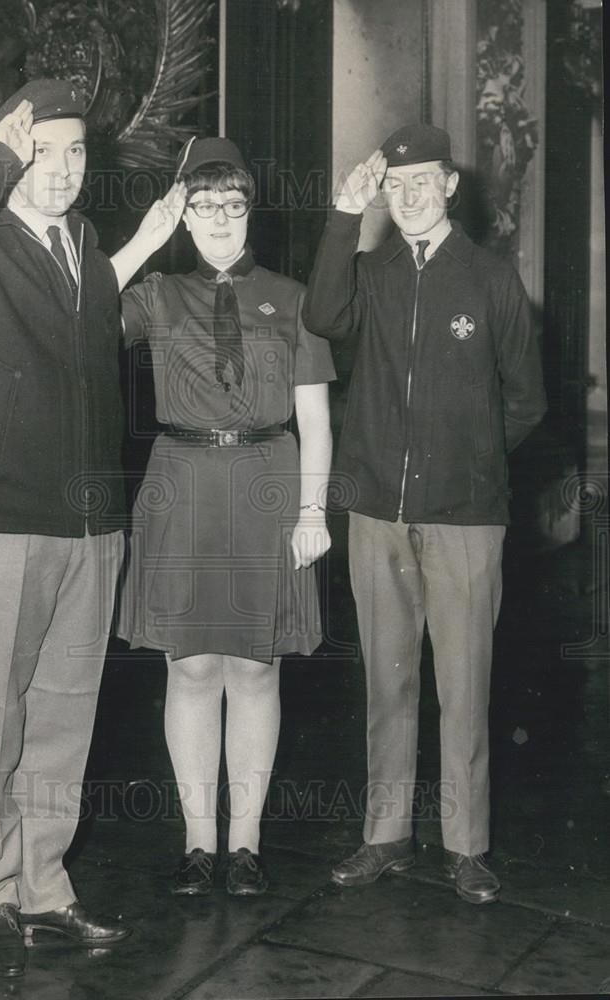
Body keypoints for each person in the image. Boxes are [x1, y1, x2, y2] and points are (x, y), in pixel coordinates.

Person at [0, 79, 181, 978]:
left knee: (61, 718)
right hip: (0, 520)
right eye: (41, 153)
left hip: (89, 528)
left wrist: (146, 245)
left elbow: (94, 324)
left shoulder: (83, 246)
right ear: (10, 155)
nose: (61, 172)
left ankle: (44, 888)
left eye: (75, 154)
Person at [302, 124, 547, 904]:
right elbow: (320, 318)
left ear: (449, 186)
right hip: (375, 510)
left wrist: (467, 464)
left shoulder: (490, 279)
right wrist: (344, 215)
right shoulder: (368, 272)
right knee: (387, 681)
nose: (408, 197)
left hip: (465, 517)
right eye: (394, 186)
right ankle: (384, 834)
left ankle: (466, 844)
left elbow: (525, 402)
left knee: (464, 685)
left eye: (423, 182)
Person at [117, 137, 336, 896]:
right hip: (180, 482)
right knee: (189, 668)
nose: (217, 219)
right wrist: (145, 239)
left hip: (267, 482)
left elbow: (314, 415)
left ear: (250, 212)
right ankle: (197, 845)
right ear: (184, 213)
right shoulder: (153, 294)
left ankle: (243, 847)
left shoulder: (293, 295)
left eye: (231, 205)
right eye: (202, 205)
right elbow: (72, 315)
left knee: (253, 666)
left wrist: (313, 510)